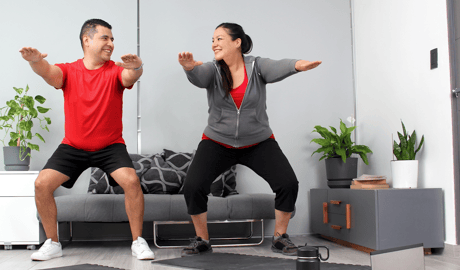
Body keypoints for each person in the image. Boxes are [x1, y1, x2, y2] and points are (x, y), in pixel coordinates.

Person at [177, 22, 322, 257]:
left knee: (287, 183)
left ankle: (279, 238)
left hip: (258, 141)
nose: (214, 43)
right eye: (212, 40)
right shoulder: (212, 69)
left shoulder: (257, 66)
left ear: (237, 42)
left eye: (219, 38)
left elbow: (278, 66)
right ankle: (202, 240)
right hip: (217, 141)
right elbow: (199, 77)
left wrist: (298, 65)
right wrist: (189, 69)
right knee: (193, 187)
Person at [20, 19, 154, 261]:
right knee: (42, 184)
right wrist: (36, 61)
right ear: (87, 40)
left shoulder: (114, 71)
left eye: (112, 39)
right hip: (73, 146)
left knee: (131, 181)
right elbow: (50, 74)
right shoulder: (69, 70)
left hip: (110, 146)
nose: (111, 44)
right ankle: (53, 242)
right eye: (105, 38)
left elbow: (129, 77)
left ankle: (138, 241)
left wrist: (137, 67)